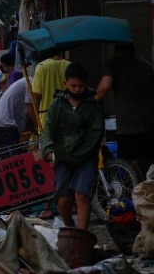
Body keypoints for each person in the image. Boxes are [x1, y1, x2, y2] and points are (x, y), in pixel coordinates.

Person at [41, 63, 104, 230]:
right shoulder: (57, 104)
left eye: (81, 86)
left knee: (82, 195)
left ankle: (82, 235)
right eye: (73, 85)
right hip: (62, 157)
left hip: (86, 157)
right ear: (65, 83)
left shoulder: (94, 105)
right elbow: (48, 130)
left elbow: (95, 135)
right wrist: (47, 149)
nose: (77, 89)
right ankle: (69, 226)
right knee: (62, 200)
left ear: (87, 83)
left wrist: (80, 155)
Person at [97, 44, 154, 174]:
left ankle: (135, 190)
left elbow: (104, 86)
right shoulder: (145, 63)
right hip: (150, 122)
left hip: (128, 125)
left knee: (130, 164)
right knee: (148, 162)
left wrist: (94, 98)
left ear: (116, 51)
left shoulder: (112, 64)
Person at [0, 77, 36, 151]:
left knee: (7, 156)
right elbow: (31, 114)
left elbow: (27, 117)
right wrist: (42, 131)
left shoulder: (27, 82)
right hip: (6, 124)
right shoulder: (31, 83)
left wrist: (37, 132)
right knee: (10, 158)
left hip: (3, 123)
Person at [31, 54, 70, 129]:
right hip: (69, 117)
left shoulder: (41, 66)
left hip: (47, 119)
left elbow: (37, 96)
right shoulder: (70, 65)